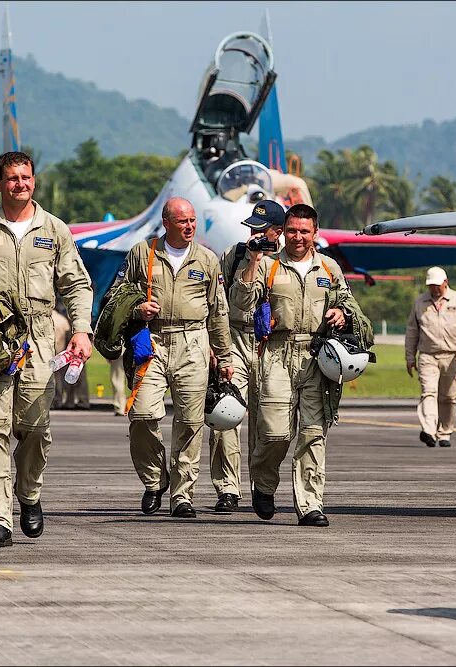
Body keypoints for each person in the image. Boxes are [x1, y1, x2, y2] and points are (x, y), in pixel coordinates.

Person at [0, 150, 93, 548]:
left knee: (34, 430)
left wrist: (81, 330)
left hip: (41, 339)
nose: (20, 184)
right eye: (12, 178)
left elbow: (76, 284)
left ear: (34, 181)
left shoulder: (55, 229)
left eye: (26, 177)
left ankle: (29, 494)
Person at [232, 203, 359, 527]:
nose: (298, 237)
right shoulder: (268, 266)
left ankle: (310, 504)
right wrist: (253, 261)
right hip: (276, 353)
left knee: (313, 433)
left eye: (304, 231)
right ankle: (263, 483)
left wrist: (342, 314)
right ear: (283, 232)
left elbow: (348, 303)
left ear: (315, 233)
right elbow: (241, 303)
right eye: (292, 231)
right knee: (275, 433)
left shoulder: (329, 269)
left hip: (318, 356)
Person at [112, 197, 233, 519]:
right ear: (166, 223)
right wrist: (137, 310)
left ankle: (182, 495)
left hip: (193, 342)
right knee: (142, 416)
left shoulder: (207, 260)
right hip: (151, 342)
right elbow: (116, 296)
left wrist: (224, 356)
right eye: (182, 221)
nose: (190, 226)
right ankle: (155, 480)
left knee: (190, 424)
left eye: (192, 220)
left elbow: (218, 311)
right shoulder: (142, 253)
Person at [208, 199, 285, 514]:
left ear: (278, 232)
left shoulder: (290, 261)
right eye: (252, 227)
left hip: (272, 345)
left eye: (261, 228)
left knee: (267, 422)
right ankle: (227, 488)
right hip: (236, 339)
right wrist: (216, 347)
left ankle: (261, 487)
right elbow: (223, 301)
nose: (254, 233)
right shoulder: (235, 255)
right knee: (226, 415)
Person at [405, 266, 456, 448]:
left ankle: (444, 432)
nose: (434, 289)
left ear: (445, 283)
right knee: (428, 392)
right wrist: (410, 357)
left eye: (437, 285)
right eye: (431, 286)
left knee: (448, 397)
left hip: (452, 356)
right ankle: (428, 431)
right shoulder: (420, 302)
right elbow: (412, 331)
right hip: (427, 356)